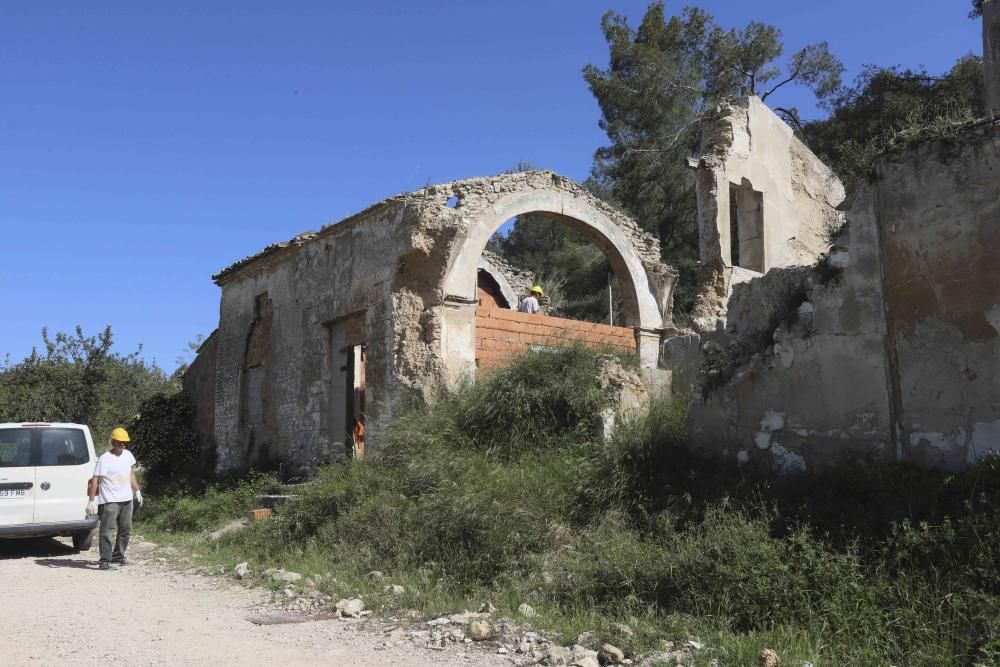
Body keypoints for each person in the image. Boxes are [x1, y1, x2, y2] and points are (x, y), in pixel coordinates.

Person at [85, 427, 142, 570]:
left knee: (126, 529)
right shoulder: (105, 458)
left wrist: (137, 490)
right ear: (113, 442)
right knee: (107, 530)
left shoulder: (128, 455)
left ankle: (118, 556)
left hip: (126, 499)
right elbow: (95, 480)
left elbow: (131, 475)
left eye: (125, 442)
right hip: (110, 501)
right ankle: (105, 561)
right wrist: (92, 500)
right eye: (120, 442)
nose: (123, 445)